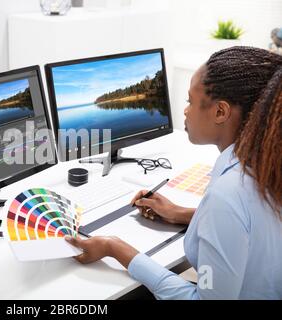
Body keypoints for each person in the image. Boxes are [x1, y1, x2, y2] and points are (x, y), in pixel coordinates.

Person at [65, 46, 282, 299]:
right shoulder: (267, 167)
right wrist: (180, 213)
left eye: (190, 101)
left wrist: (115, 248)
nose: (185, 110)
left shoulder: (228, 195)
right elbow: (251, 228)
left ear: (220, 112)